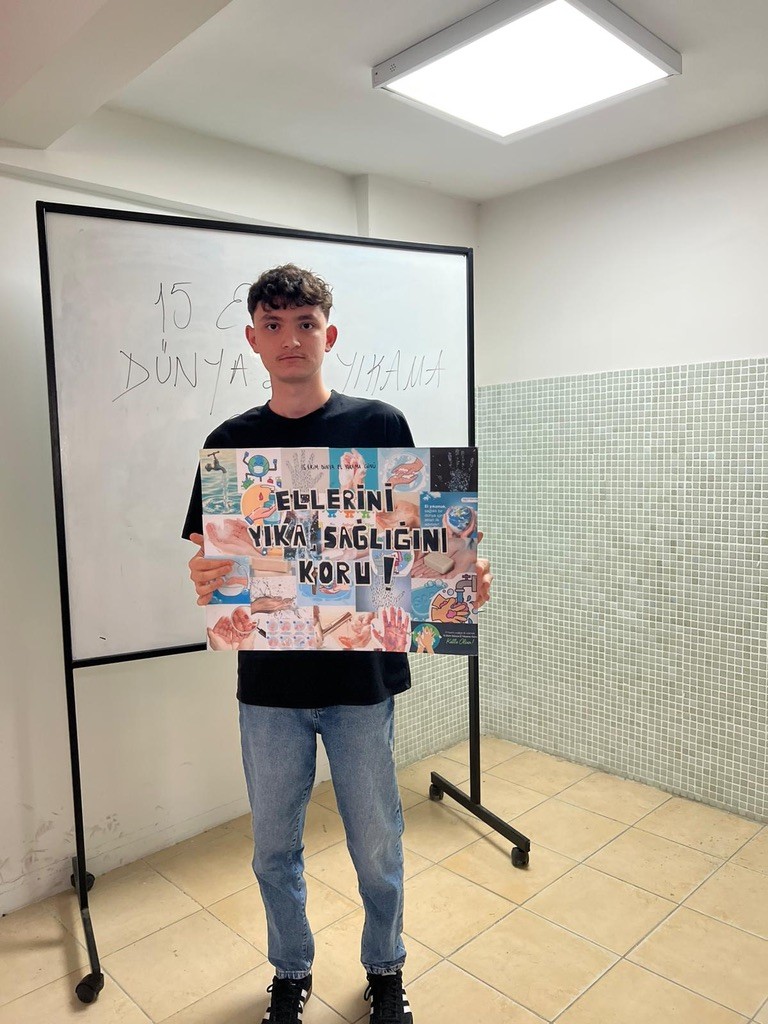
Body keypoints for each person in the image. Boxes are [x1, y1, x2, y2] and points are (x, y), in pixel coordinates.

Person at [183, 264, 492, 1024]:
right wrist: (207, 574)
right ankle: (290, 973)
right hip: (270, 689)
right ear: (253, 338)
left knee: (378, 842)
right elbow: (212, 561)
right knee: (272, 847)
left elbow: (426, 547)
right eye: (274, 325)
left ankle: (385, 969)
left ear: (330, 334)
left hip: (362, 684)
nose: (291, 338)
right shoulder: (229, 445)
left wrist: (462, 573)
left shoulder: (380, 426)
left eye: (306, 324)